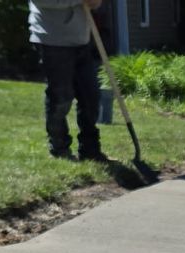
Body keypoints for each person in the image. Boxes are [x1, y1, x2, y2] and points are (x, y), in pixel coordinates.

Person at [29, 0, 107, 162]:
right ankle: (59, 148)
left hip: (81, 39)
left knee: (91, 95)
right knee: (61, 97)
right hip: (52, 39)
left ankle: (90, 149)